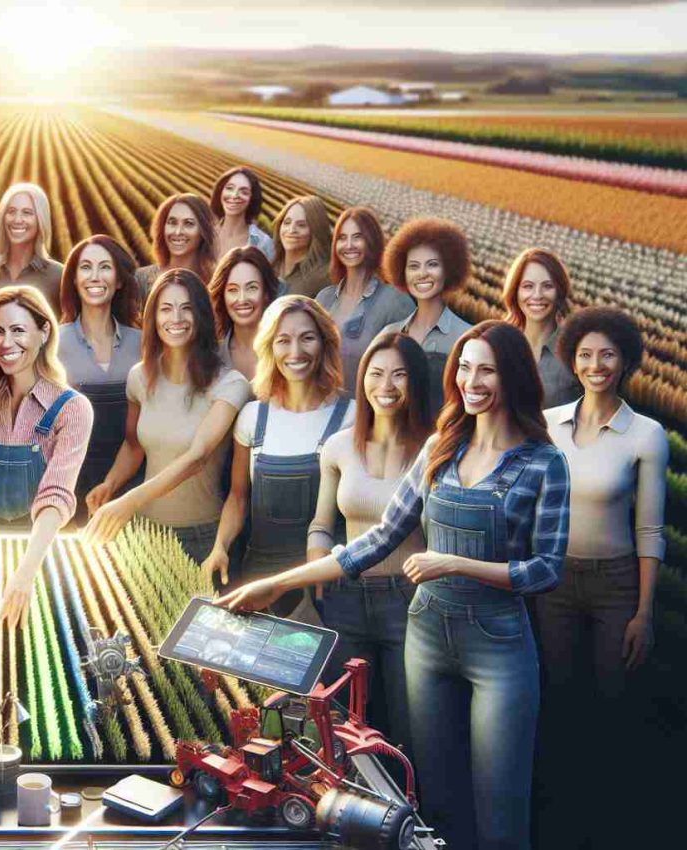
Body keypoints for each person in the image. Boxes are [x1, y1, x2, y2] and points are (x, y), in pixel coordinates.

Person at [222, 320, 569, 850]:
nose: (473, 381)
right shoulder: (441, 448)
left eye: (488, 370)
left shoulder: (544, 463)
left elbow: (546, 569)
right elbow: (377, 540)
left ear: (515, 376)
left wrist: (455, 564)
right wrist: (277, 582)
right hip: (427, 637)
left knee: (500, 806)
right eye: (466, 368)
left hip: (498, 646)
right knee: (432, 797)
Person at [538, 307, 665, 848]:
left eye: (608, 354)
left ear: (626, 361)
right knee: (558, 697)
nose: (596, 365)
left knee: (613, 701)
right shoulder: (548, 424)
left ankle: (614, 817)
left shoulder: (646, 433)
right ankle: (559, 814)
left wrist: (644, 611)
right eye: (586, 355)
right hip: (555, 581)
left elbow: (650, 529)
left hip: (616, 584)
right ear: (572, 359)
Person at [306, 331, 435, 748]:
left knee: (409, 725)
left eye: (399, 375)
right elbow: (322, 524)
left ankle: (412, 810)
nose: (387, 386)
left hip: (410, 600)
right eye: (376, 374)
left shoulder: (434, 450)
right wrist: (316, 564)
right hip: (346, 598)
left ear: (416, 381)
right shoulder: (340, 446)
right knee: (346, 725)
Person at [83, 269, 251, 564]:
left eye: (187, 309)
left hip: (202, 539)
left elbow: (197, 457)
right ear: (153, 318)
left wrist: (128, 501)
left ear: (201, 316)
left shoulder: (231, 384)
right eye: (166, 309)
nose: (176, 318)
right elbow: (133, 445)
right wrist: (110, 485)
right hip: (144, 533)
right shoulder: (139, 377)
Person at [205, 295, 352, 619]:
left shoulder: (350, 418)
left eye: (307, 338)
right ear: (269, 348)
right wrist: (221, 545)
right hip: (260, 581)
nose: (295, 352)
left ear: (325, 343)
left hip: (323, 583)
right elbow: (238, 497)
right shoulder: (251, 418)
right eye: (283, 340)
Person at [0, 287, 94, 628]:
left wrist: (25, 572)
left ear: (44, 332)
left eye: (18, 330)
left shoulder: (72, 408)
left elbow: (56, 494)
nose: (6, 343)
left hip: (44, 550)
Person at [54, 235, 143, 519]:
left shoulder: (142, 343)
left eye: (105, 267)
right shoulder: (54, 343)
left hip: (133, 477)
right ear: (74, 279)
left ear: (118, 280)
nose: (95, 276)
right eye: (85, 267)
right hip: (72, 479)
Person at [377, 217, 473, 414]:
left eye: (432, 265)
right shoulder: (388, 334)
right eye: (413, 266)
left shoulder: (466, 338)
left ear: (448, 269)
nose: (422, 274)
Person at [315, 207, 413, 394]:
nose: (349, 245)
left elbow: (409, 369)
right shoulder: (323, 299)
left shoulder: (395, 301)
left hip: (366, 414)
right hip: (322, 410)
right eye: (342, 238)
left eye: (357, 237)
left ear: (372, 242)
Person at [501, 247, 580, 408]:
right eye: (528, 286)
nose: (537, 295)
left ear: (560, 291)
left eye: (547, 286)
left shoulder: (576, 352)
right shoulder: (498, 345)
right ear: (515, 292)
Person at [211, 245, 283, 381]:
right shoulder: (212, 356)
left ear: (266, 293)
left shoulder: (285, 349)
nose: (242, 299)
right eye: (233, 290)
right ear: (222, 296)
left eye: (252, 288)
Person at [0, 182, 65, 312]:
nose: (17, 220)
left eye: (27, 213)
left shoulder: (58, 276)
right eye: (11, 211)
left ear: (40, 220)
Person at [135, 193, 220, 296]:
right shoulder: (141, 280)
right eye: (172, 222)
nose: (178, 232)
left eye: (188, 223)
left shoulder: (217, 283)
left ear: (203, 231)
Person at [270, 195, 332, 299]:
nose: (291, 230)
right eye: (287, 223)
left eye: (301, 225)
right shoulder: (270, 264)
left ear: (316, 229)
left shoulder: (323, 277)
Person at [210, 166, 275, 260]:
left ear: (252, 199)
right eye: (229, 188)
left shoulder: (263, 243)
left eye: (244, 192)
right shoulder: (204, 236)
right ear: (220, 191)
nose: (235, 195)